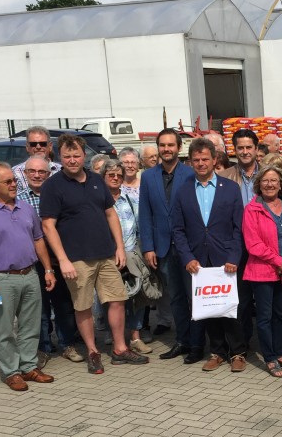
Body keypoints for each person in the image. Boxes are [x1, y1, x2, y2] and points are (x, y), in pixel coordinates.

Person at [40, 133, 148, 374]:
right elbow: (48, 225)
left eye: (76, 155)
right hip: (76, 259)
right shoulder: (52, 186)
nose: (71, 160)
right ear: (60, 156)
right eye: (66, 156)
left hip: (106, 255)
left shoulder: (96, 180)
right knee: (83, 306)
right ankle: (92, 351)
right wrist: (63, 260)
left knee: (117, 300)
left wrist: (119, 247)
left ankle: (120, 348)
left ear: (84, 155)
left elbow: (110, 214)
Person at [0, 161, 56, 391]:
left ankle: (28, 366)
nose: (14, 184)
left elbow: (38, 240)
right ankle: (10, 371)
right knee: (3, 327)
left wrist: (47, 269)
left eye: (14, 180)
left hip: (30, 275)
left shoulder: (25, 208)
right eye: (8, 181)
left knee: (30, 325)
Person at [172, 137, 247, 372]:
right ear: (190, 162)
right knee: (209, 308)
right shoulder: (183, 191)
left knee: (231, 307)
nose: (201, 163)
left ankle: (238, 353)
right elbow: (178, 229)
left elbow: (239, 227)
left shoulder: (231, 189)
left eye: (205, 159)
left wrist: (234, 257)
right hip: (198, 261)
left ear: (215, 160)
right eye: (196, 160)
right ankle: (217, 352)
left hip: (226, 260)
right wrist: (187, 258)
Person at [19, 155, 83, 369]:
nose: (37, 175)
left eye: (42, 172)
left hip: (59, 259)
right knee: (39, 308)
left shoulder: (59, 193)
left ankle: (67, 344)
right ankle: (43, 348)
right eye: (32, 172)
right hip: (33, 262)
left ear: (49, 174)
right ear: (25, 174)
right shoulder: (18, 200)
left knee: (64, 305)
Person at [138, 129, 197, 361]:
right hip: (162, 247)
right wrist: (148, 247)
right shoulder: (148, 177)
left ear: (179, 147)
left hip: (188, 248)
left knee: (194, 296)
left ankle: (198, 342)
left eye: (171, 145)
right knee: (175, 298)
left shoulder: (191, 174)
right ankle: (182, 341)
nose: (166, 149)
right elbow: (145, 214)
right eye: (162, 145)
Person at [243, 167, 282, 377]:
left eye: (274, 180)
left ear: (281, 183)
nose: (269, 184)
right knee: (265, 316)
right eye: (265, 181)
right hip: (262, 271)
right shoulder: (252, 209)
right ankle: (269, 357)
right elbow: (253, 244)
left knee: (281, 315)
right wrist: (278, 260)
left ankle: (280, 352)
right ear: (259, 184)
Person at [101, 159, 150, 355]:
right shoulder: (98, 199)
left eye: (119, 175)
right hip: (107, 257)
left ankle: (135, 337)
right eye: (111, 175)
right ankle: (116, 337)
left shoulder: (131, 198)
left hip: (131, 254)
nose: (115, 178)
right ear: (103, 177)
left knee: (136, 298)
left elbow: (141, 225)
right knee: (112, 300)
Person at [219, 128, 262, 343]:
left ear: (256, 149)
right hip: (236, 247)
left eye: (248, 147)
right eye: (240, 148)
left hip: (264, 247)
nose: (245, 152)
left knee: (264, 301)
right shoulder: (223, 177)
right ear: (234, 150)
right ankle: (242, 344)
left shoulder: (269, 175)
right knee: (240, 300)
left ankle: (269, 345)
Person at [13, 125, 61, 196]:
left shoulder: (61, 171)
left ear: (50, 146)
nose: (38, 147)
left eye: (43, 144)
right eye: (33, 144)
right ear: (27, 147)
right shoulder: (15, 173)